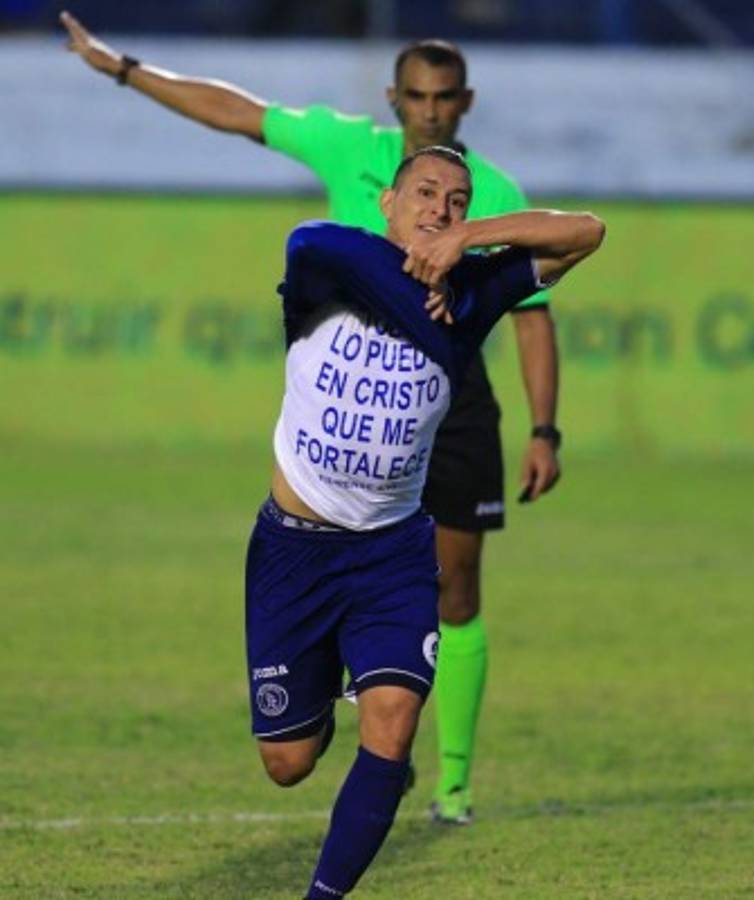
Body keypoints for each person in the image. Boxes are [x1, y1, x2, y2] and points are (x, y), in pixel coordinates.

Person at [61, 11, 563, 824]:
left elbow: (533, 311)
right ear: (393, 97)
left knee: (458, 583)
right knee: (341, 549)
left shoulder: (491, 192)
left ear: (464, 102)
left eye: (444, 99)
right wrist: (123, 68)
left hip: (453, 394)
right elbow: (235, 111)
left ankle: (455, 782)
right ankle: (337, 690)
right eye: (417, 96)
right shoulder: (347, 148)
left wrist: (544, 427)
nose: (430, 111)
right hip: (355, 392)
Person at [249, 146, 603, 899]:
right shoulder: (330, 265)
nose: (439, 208)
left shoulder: (476, 289)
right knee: (288, 763)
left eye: (457, 200)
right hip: (294, 549)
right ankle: (328, 703)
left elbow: (586, 231)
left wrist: (466, 247)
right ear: (388, 202)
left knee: (396, 725)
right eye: (426, 193)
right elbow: (306, 240)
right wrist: (416, 294)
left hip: (392, 555)